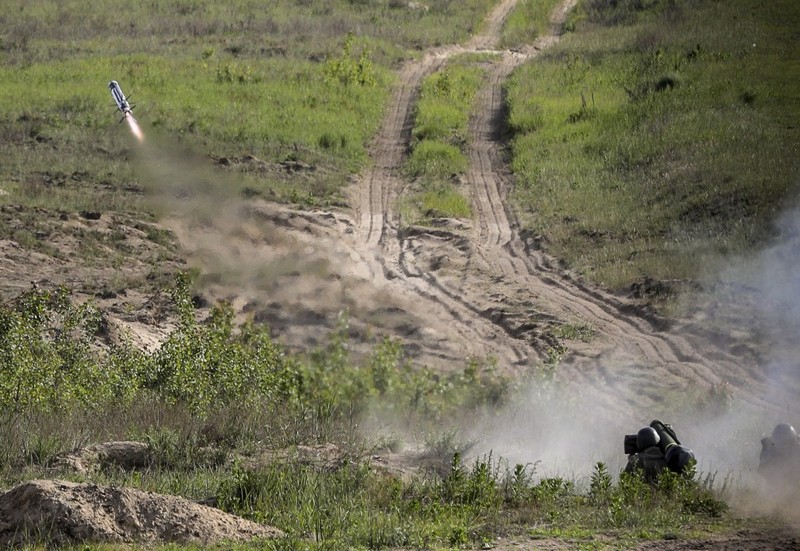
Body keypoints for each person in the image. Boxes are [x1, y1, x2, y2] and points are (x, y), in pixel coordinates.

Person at [624, 420, 695, 483]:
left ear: (640, 443)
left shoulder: (637, 460)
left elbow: (625, 480)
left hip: (644, 496)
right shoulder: (669, 458)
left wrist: (631, 459)